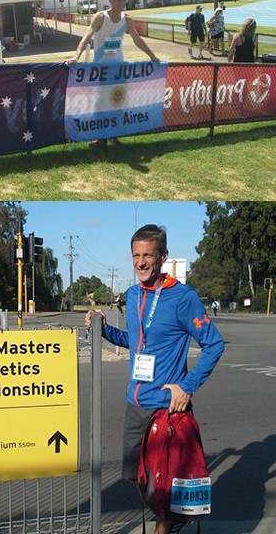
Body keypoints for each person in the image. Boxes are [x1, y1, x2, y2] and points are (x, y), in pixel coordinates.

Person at [85, 224, 224, 534]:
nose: (141, 262)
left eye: (148, 255)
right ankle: (168, 515)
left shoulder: (182, 297)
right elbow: (136, 342)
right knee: (133, 473)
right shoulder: (133, 294)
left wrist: (187, 387)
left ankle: (166, 522)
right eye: (136, 255)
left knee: (162, 482)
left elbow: (214, 344)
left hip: (165, 408)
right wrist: (104, 329)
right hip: (135, 403)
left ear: (163, 256)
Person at [67, 0, 160, 147]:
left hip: (119, 68)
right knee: (101, 102)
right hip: (101, 68)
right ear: (111, 0)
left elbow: (137, 40)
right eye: (118, 0)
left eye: (124, 0)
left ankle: (115, 135)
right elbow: (87, 36)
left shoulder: (127, 19)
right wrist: (77, 55)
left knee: (118, 100)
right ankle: (100, 137)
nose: (121, 3)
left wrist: (152, 56)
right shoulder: (100, 17)